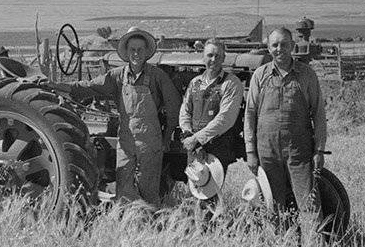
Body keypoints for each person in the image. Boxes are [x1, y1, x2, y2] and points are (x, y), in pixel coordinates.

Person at [48, 26, 180, 206]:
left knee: (148, 189)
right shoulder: (118, 76)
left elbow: (173, 107)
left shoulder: (157, 76)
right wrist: (58, 86)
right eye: (132, 49)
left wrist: (166, 138)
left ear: (146, 52)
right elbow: (90, 86)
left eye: (140, 49)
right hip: (125, 141)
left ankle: (151, 226)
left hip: (150, 143)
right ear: (126, 51)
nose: (136, 53)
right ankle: (127, 225)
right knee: (123, 188)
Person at [243, 26, 327, 233]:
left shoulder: (306, 75)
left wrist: (319, 150)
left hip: (299, 149)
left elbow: (318, 113)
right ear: (268, 48)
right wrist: (251, 152)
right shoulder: (260, 75)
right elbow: (250, 114)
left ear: (292, 46)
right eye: (275, 45)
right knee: (273, 203)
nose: (279, 49)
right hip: (267, 150)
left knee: (309, 203)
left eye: (284, 44)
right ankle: (279, 246)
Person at [179, 38, 243, 172]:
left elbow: (225, 118)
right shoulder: (195, 82)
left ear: (224, 58)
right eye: (209, 55)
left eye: (217, 56)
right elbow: (185, 111)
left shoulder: (231, 83)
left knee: (213, 188)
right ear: (203, 57)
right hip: (193, 145)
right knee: (196, 185)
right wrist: (187, 134)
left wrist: (196, 139)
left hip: (218, 146)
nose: (213, 59)